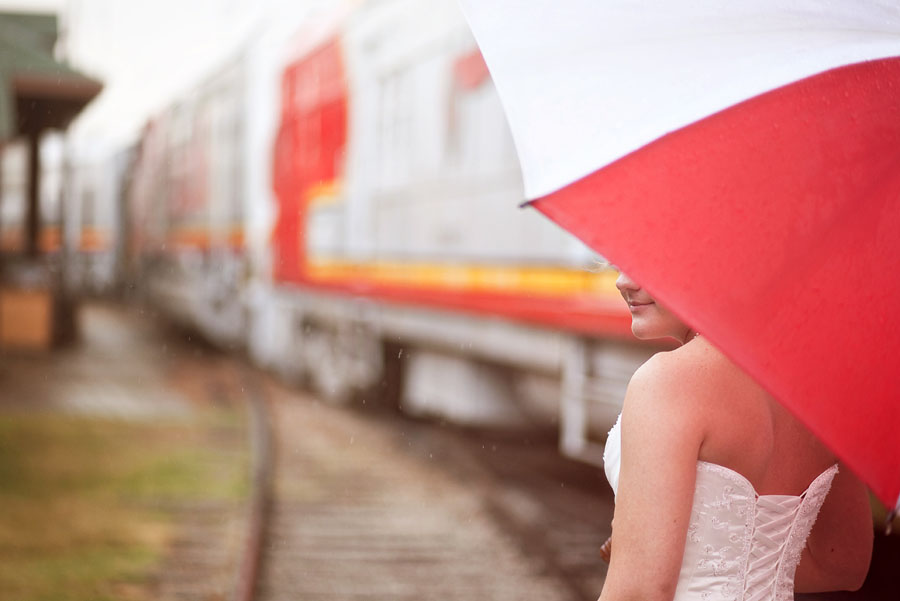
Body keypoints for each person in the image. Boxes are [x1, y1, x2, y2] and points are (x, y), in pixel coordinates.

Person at [599, 271, 873, 601]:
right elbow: (841, 566)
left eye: (648, 264)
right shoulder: (822, 391)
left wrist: (641, 557)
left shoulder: (667, 382)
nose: (623, 282)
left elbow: (639, 593)